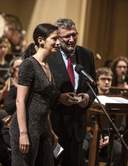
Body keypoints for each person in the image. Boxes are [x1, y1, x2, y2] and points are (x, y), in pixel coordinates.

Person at [47, 18, 97, 166]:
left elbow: (93, 86)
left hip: (77, 126)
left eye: (74, 35)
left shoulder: (86, 55)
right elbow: (41, 88)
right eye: (67, 36)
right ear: (57, 37)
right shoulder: (50, 55)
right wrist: (58, 98)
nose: (71, 40)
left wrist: (87, 97)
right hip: (55, 124)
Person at [9, 23, 60, 166]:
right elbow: (20, 101)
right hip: (27, 127)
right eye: (54, 38)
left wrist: (50, 131)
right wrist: (23, 133)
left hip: (42, 126)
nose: (58, 42)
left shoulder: (48, 65)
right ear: (41, 40)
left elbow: (44, 102)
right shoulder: (28, 64)